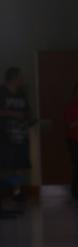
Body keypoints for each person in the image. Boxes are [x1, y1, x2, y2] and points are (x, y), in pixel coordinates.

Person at [0, 67, 32, 204]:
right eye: (20, 77)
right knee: (5, 167)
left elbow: (27, 111)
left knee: (19, 166)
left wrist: (27, 117)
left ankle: (17, 193)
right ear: (13, 78)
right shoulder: (1, 92)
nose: (22, 80)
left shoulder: (22, 94)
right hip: (5, 137)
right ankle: (3, 193)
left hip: (21, 136)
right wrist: (13, 114)